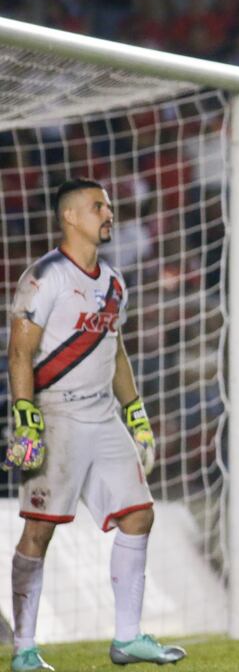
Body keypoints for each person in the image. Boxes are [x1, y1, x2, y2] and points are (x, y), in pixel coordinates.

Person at [5, 179, 186, 671]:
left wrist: (136, 414)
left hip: (104, 415)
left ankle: (127, 640)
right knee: (39, 532)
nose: (108, 213)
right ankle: (23, 649)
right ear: (70, 217)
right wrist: (25, 418)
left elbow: (115, 349)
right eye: (97, 206)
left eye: (108, 205)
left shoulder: (114, 282)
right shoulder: (45, 277)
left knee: (139, 515)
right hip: (57, 416)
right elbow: (19, 351)